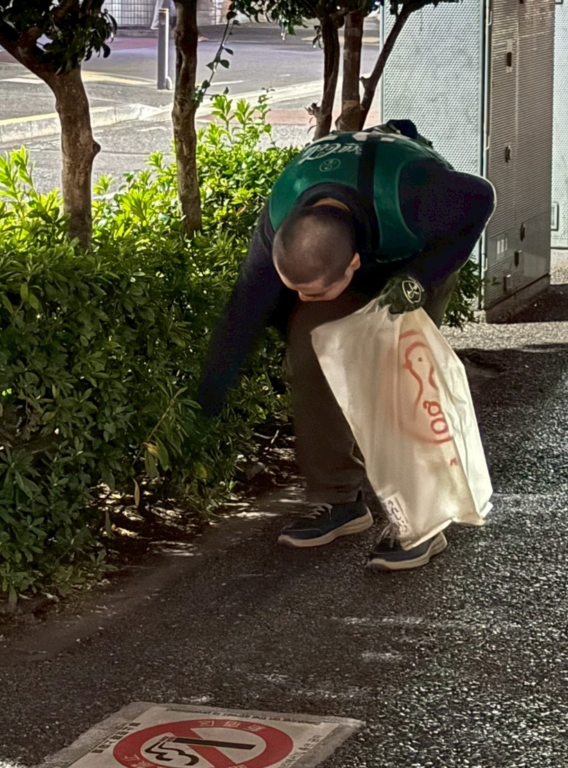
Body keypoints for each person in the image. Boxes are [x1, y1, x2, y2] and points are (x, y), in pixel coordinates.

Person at [197, 121, 496, 571]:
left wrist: (419, 279)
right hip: (349, 237)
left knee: (402, 373)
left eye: (313, 291)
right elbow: (244, 313)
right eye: (295, 289)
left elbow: (481, 197)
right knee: (309, 347)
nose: (303, 300)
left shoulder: (419, 197)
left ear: (354, 265)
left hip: (415, 254)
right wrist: (209, 398)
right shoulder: (279, 222)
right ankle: (339, 500)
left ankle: (422, 522)